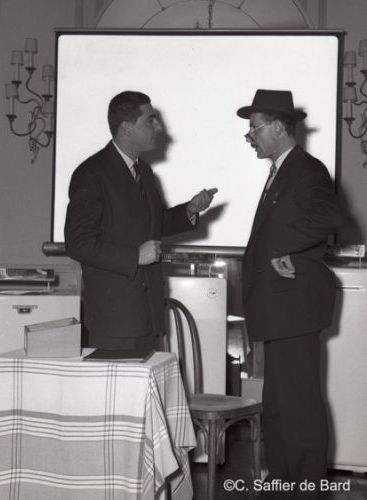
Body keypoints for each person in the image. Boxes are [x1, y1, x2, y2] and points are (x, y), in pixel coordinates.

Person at [237, 89, 345, 498]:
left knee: (299, 408)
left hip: (295, 307)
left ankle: (306, 491)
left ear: (279, 128)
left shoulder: (306, 170)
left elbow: (330, 215)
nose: (250, 136)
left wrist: (284, 247)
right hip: (281, 308)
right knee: (280, 406)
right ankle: (283, 485)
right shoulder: (283, 171)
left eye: (255, 127)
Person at [65, 90, 217, 351]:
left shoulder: (143, 171)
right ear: (126, 127)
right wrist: (135, 256)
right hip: (114, 322)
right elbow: (77, 243)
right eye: (150, 120)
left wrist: (190, 210)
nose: (159, 127)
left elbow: (154, 224)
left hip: (148, 316)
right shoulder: (91, 173)